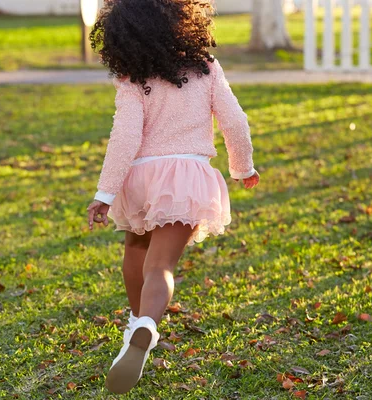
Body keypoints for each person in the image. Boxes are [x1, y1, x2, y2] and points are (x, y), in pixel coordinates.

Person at [86, 0, 259, 394]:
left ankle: (135, 323)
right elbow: (234, 120)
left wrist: (105, 192)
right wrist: (242, 167)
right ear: (184, 21)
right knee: (161, 265)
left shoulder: (133, 78)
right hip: (186, 177)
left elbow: (125, 137)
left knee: (135, 248)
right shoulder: (206, 68)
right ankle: (147, 325)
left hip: (141, 178)